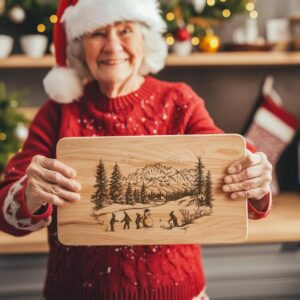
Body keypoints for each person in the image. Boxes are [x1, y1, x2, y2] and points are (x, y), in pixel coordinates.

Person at [0, 0, 273, 299]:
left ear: (145, 38)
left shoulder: (179, 100)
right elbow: (6, 213)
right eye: (97, 33)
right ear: (79, 45)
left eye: (125, 30)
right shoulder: (57, 113)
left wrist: (253, 177)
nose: (112, 46)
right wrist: (29, 192)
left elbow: (224, 156)